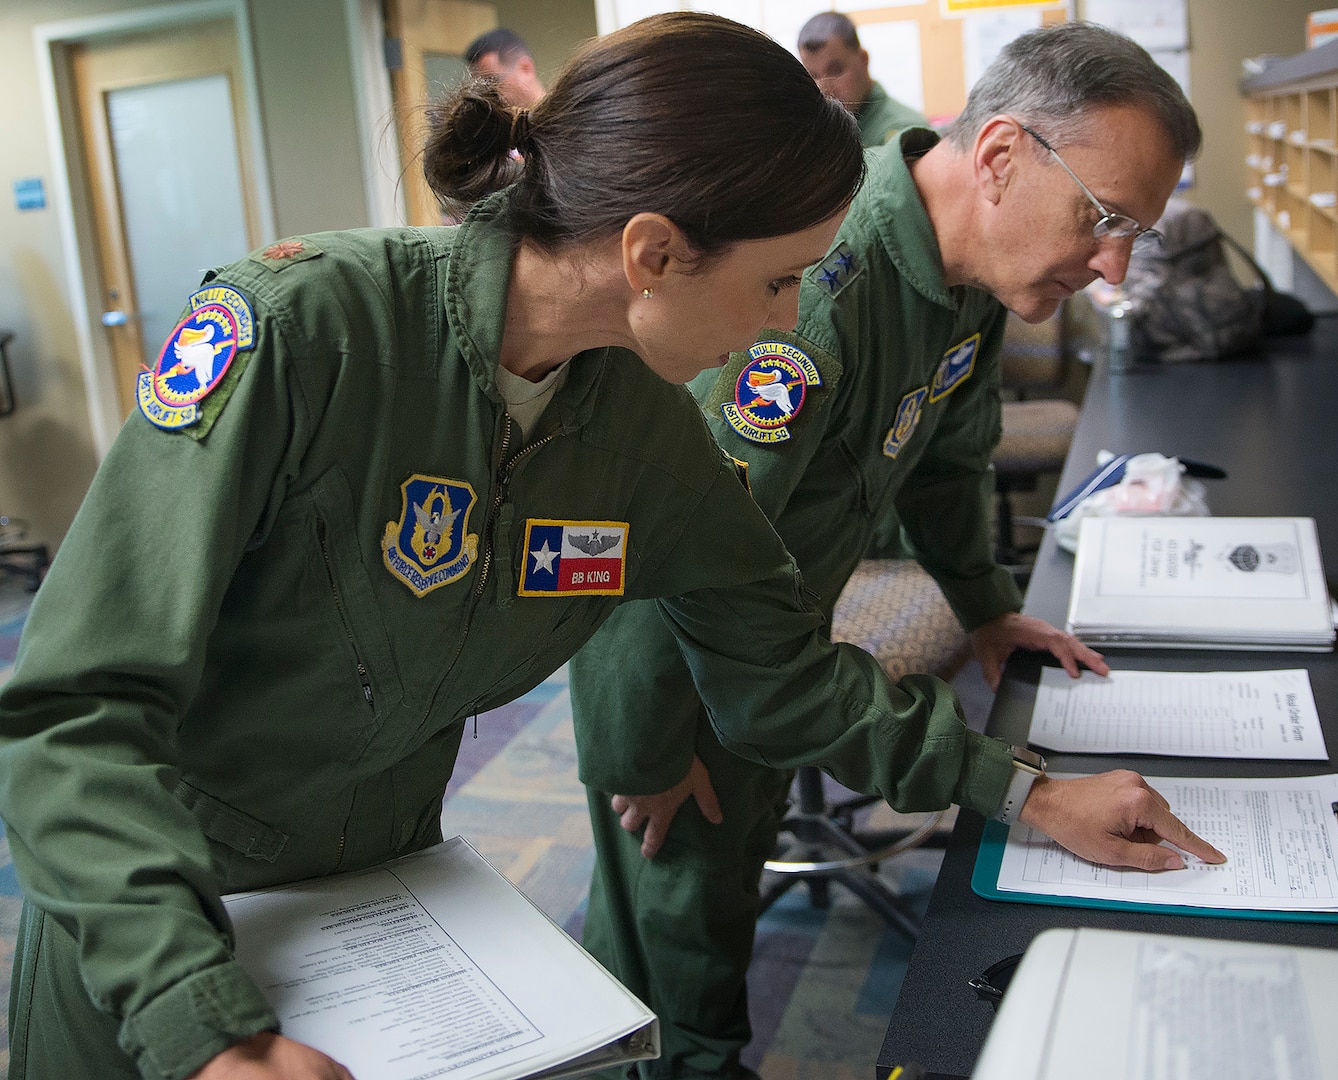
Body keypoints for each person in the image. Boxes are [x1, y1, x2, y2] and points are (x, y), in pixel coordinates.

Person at [0, 13, 1218, 1080]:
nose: (792, 323)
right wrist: (195, 1019)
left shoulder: (635, 427)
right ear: (650, 254)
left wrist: (1023, 790)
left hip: (378, 913)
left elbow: (779, 671)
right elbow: (73, 717)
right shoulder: (303, 335)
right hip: (149, 932)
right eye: (780, 282)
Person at [570, 22, 1208, 1080]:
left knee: (717, 908)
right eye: (1104, 220)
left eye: (1136, 231)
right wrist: (638, 748)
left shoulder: (980, 274)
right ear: (1000, 157)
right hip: (674, 671)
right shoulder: (814, 296)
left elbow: (949, 460)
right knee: (671, 952)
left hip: (777, 629)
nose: (1113, 268)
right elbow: (646, 545)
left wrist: (985, 603)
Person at [798, 11, 926, 145]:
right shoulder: (816, 130)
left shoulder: (906, 132)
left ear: (863, 59)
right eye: (813, 76)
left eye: (835, 71)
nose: (824, 88)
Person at [465, 25, 545, 107]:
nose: (488, 97)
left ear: (525, 68)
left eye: (494, 82)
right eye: (483, 88)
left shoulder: (557, 118)